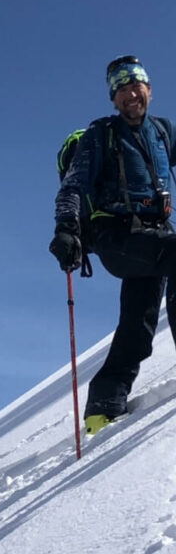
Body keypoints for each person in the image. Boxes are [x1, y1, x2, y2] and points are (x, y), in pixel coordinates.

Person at [50, 55, 176, 434]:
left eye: (135, 85)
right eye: (121, 89)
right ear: (113, 99)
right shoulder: (101, 134)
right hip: (117, 237)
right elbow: (74, 185)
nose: (129, 93)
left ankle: (103, 407)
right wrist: (66, 228)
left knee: (138, 325)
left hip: (156, 234)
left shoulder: (165, 131)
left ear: (148, 89)